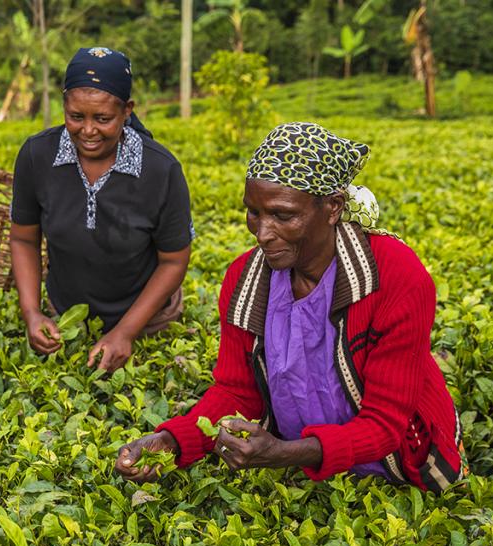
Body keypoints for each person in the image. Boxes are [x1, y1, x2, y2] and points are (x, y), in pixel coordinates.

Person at [115, 122, 467, 492]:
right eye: (254, 212)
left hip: (397, 468)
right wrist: (172, 441)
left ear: (332, 207)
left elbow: (385, 424)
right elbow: (237, 393)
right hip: (300, 465)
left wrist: (285, 453)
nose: (263, 233)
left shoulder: (395, 276)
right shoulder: (245, 279)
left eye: (283, 215)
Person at [9, 47, 194, 372]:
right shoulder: (37, 156)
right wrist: (32, 312)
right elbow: (24, 239)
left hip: (148, 322)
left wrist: (125, 332)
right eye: (76, 117)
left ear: (127, 111)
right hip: (66, 316)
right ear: (64, 105)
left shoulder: (160, 170)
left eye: (103, 119)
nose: (89, 131)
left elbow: (174, 261)